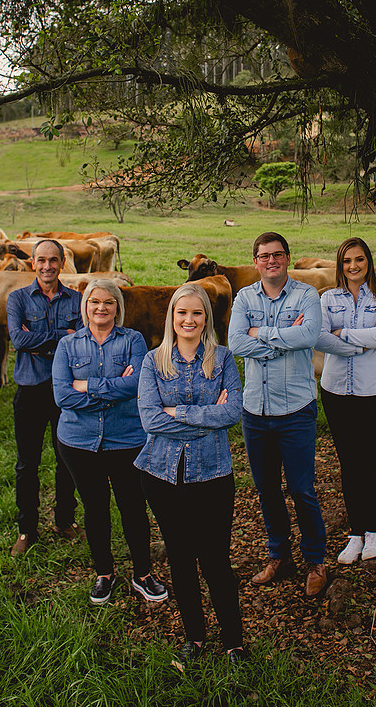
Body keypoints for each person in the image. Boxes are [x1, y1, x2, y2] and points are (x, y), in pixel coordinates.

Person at [135, 285, 246, 670]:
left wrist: (177, 413)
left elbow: (233, 412)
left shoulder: (223, 359)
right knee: (180, 559)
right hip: (162, 475)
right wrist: (204, 417)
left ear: (206, 319)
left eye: (197, 314)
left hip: (213, 474)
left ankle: (233, 641)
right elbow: (149, 418)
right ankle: (195, 637)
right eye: (182, 313)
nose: (189, 320)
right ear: (172, 317)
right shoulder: (153, 362)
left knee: (216, 559)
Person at [52, 278, 168, 606]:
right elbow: (62, 395)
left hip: (126, 440)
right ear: (85, 307)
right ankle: (104, 572)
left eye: (109, 302)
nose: (101, 308)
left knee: (132, 506)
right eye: (94, 302)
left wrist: (85, 386)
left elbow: (135, 386)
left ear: (118, 308)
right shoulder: (68, 345)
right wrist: (111, 388)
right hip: (79, 442)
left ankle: (142, 573)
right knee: (95, 507)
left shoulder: (133, 340)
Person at [228, 232, 327, 597]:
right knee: (266, 488)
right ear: (255, 261)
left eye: (278, 255)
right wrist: (281, 339)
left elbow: (309, 335)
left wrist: (262, 334)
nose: (271, 261)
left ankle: (315, 560)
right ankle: (279, 555)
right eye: (264, 256)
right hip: (255, 411)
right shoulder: (244, 297)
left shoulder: (306, 294)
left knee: (302, 489)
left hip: (295, 409)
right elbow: (236, 342)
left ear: (288, 258)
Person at [316, 237, 376, 563]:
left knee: (368, 463)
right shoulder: (327, 298)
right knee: (349, 464)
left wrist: (343, 335)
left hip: (375, 392)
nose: (353, 266)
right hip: (336, 391)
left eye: (359, 260)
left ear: (369, 261)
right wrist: (363, 341)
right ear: (340, 265)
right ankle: (355, 533)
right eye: (347, 261)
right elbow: (321, 337)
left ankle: (373, 531)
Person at [6, 239, 82, 556]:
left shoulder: (78, 300)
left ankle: (64, 520)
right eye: (41, 260)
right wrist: (60, 337)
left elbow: (81, 341)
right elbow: (18, 339)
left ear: (62, 262)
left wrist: (39, 342)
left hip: (65, 391)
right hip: (30, 389)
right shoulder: (17, 299)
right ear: (33, 263)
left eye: (53, 260)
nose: (47, 266)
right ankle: (27, 529)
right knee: (27, 464)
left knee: (67, 461)